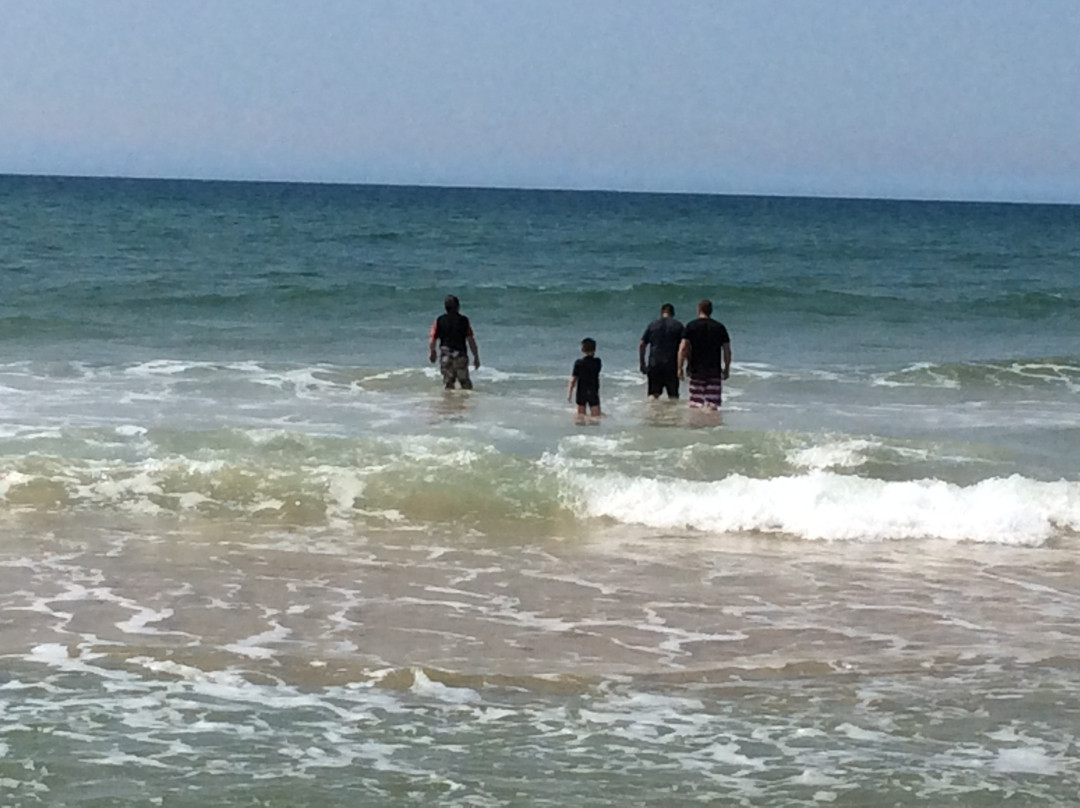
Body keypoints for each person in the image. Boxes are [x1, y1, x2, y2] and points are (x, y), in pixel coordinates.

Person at [677, 299, 731, 410]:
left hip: (696, 369)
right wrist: (726, 368)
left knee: (695, 402)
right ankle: (711, 425)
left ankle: (697, 425)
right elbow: (727, 350)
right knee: (712, 403)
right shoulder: (719, 327)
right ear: (711, 311)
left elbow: (683, 348)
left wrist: (680, 367)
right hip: (714, 369)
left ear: (698, 310)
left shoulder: (691, 326)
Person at [428, 294, 480, 389]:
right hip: (460, 356)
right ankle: (466, 401)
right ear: (458, 307)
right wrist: (476, 357)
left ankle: (449, 403)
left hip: (446, 356)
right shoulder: (464, 321)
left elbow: (432, 338)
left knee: (448, 384)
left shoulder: (439, 320)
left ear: (445, 308)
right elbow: (471, 340)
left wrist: (432, 352)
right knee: (465, 383)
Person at [639, 303, 684, 399]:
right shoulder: (678, 326)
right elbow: (684, 347)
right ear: (673, 313)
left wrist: (642, 363)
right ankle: (673, 414)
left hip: (655, 364)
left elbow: (642, 344)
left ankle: (651, 413)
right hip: (671, 365)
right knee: (673, 396)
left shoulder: (653, 325)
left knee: (653, 395)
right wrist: (685, 365)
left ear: (661, 312)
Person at [567, 338, 602, 416]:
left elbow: (573, 379)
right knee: (596, 417)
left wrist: (569, 393)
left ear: (582, 349)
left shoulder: (578, 363)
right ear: (594, 349)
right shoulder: (597, 362)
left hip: (581, 391)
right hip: (593, 390)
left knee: (580, 417)